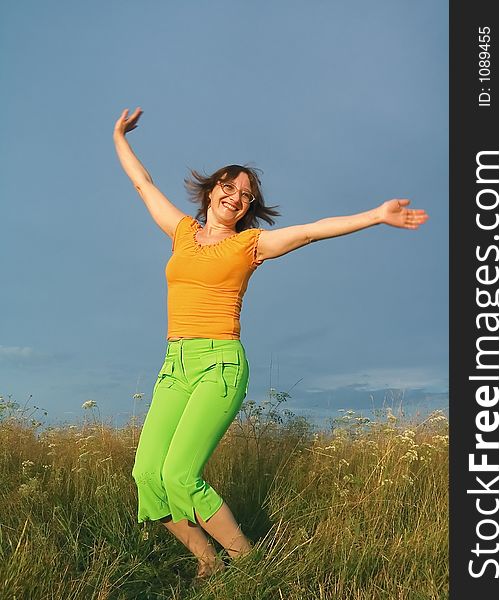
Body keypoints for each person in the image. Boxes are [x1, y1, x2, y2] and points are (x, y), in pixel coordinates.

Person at [112, 107, 429, 581]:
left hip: (219, 365)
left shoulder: (251, 245)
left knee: (180, 475)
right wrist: (118, 135)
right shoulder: (181, 233)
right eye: (228, 186)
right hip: (174, 364)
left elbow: (310, 230)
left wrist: (376, 216)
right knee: (147, 476)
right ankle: (207, 560)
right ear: (210, 189)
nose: (236, 197)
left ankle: (249, 565)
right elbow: (143, 182)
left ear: (249, 208)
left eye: (246, 195)